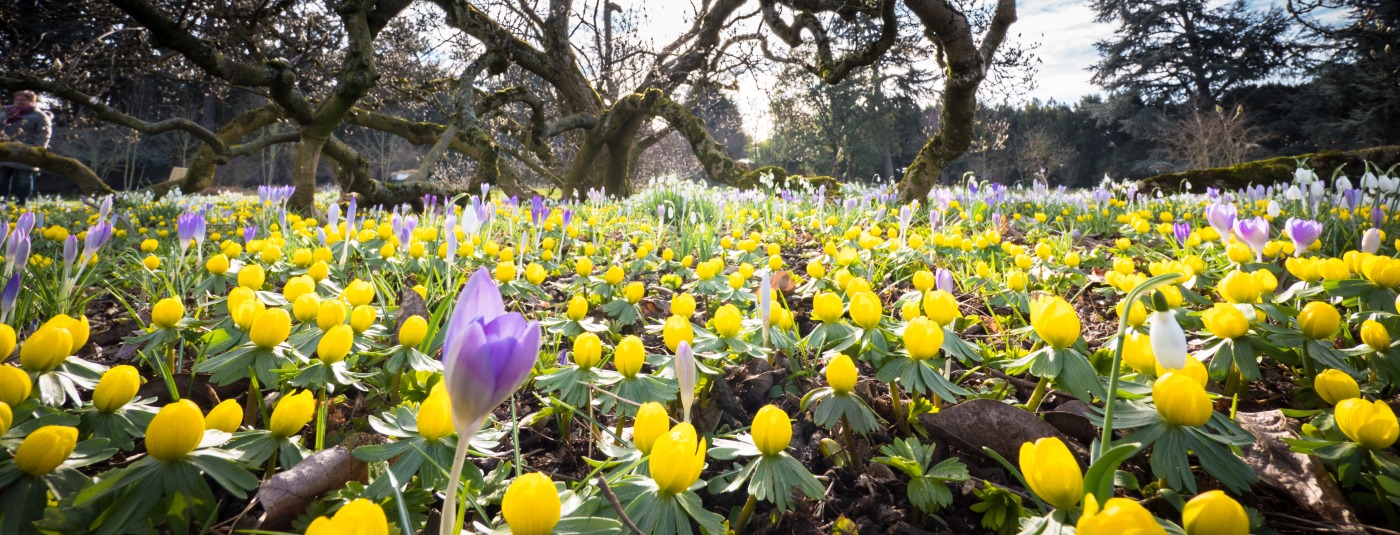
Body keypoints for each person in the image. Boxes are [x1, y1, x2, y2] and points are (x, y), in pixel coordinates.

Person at [1, 90, 53, 206]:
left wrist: (38, 150)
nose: (19, 102)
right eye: (17, 100)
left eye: (23, 100)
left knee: (24, 178)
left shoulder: (40, 116)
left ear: (32, 101)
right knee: (2, 177)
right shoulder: (5, 113)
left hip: (26, 153)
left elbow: (43, 135)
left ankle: (21, 202)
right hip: (5, 151)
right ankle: (2, 201)